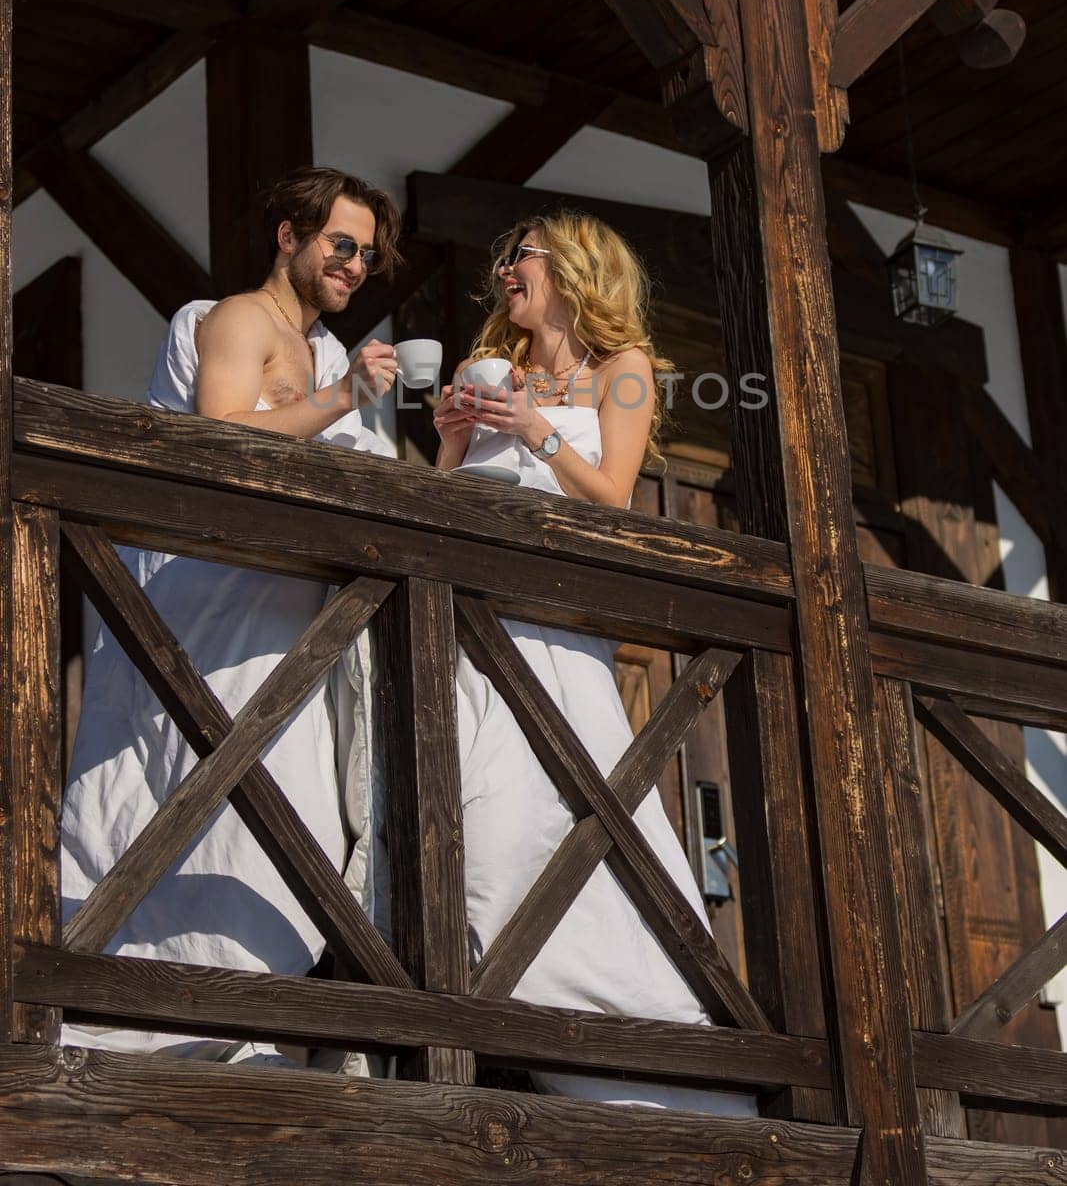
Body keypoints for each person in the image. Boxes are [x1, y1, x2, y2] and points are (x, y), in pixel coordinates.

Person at [60, 166, 402, 1064]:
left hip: (289, 625)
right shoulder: (233, 320)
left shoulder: (328, 354)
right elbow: (217, 433)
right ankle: (164, 1030)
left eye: (367, 253)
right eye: (340, 242)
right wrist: (340, 404)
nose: (356, 264)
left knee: (296, 823)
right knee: (205, 804)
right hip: (209, 611)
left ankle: (251, 1035)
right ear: (287, 236)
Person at [433, 209, 758, 1116]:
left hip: (557, 629)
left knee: (557, 819)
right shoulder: (479, 369)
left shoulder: (624, 373)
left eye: (521, 254)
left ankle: (643, 1053)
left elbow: (613, 497)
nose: (505, 267)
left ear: (573, 269)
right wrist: (455, 439)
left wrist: (535, 428)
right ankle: (489, 1029)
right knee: (468, 824)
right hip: (468, 618)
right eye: (501, 253)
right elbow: (446, 498)